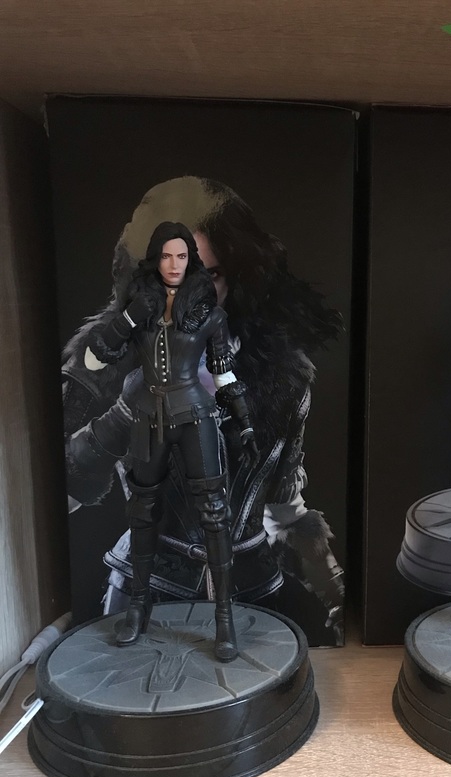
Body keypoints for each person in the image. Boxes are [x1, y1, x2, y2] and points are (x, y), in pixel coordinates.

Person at [62, 177, 345, 647]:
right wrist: (119, 417)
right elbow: (60, 495)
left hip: (254, 592)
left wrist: (331, 583)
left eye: (210, 274)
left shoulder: (283, 376)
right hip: (147, 586)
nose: (192, 285)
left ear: (235, 274)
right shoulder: (113, 351)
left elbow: (284, 505)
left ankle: (225, 623)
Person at [85, 221, 258, 661]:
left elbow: (222, 373)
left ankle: (223, 618)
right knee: (142, 511)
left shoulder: (209, 313)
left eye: (181, 256)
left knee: (214, 514)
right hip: (147, 418)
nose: (174, 264)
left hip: (195, 416)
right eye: (166, 255)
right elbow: (94, 358)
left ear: (190, 260)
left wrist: (245, 422)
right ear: (156, 259)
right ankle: (138, 607)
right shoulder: (138, 307)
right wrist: (129, 317)